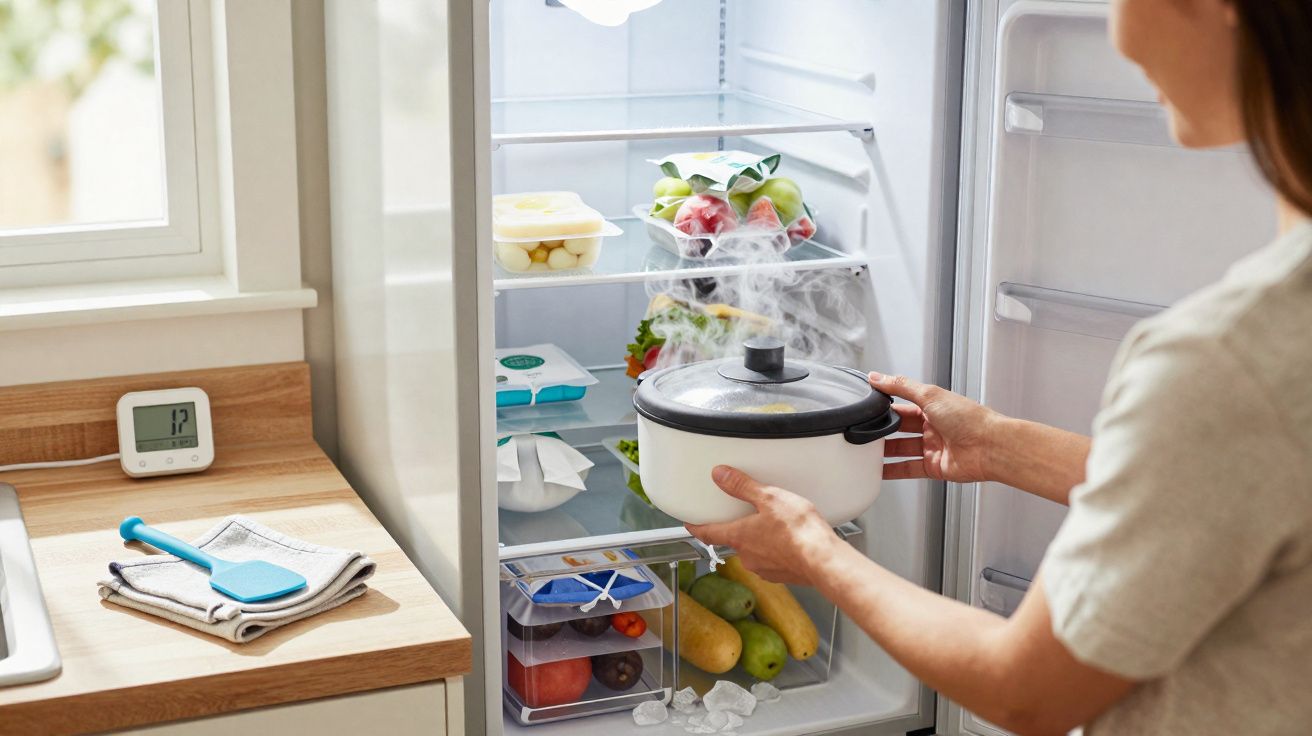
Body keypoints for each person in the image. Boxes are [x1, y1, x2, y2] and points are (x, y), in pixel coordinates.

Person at [686, 1, 1312, 734]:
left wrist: (817, 555)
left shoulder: (1222, 361)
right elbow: (1245, 483)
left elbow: (1027, 690)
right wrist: (999, 445)